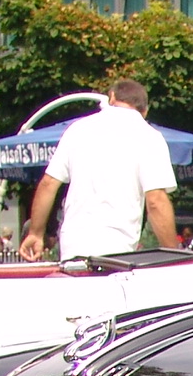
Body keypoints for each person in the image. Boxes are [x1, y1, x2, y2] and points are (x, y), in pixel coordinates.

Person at [19, 79, 179, 261]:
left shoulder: (77, 129)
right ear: (145, 110)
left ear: (112, 97)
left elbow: (48, 184)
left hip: (73, 243)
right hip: (116, 246)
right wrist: (173, 253)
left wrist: (35, 233)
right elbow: (156, 200)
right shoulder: (149, 136)